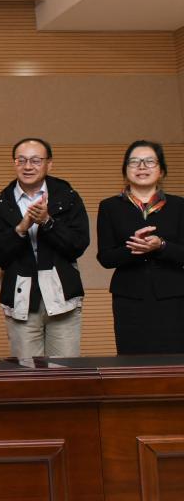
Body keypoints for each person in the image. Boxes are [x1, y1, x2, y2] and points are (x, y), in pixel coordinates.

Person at [0, 138, 89, 358]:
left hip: (62, 297)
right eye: (21, 160)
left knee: (65, 371)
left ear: (49, 164)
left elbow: (78, 245)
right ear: (14, 163)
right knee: (28, 372)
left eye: (35, 160)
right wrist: (21, 229)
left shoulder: (67, 197)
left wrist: (48, 222)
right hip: (21, 299)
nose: (28, 166)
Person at [97, 140, 184, 355]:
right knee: (132, 360)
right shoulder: (109, 207)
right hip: (129, 297)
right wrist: (135, 248)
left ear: (161, 170)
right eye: (134, 162)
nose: (142, 167)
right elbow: (105, 257)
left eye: (149, 161)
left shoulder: (179, 206)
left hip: (173, 296)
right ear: (125, 170)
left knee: (173, 361)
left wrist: (161, 245)